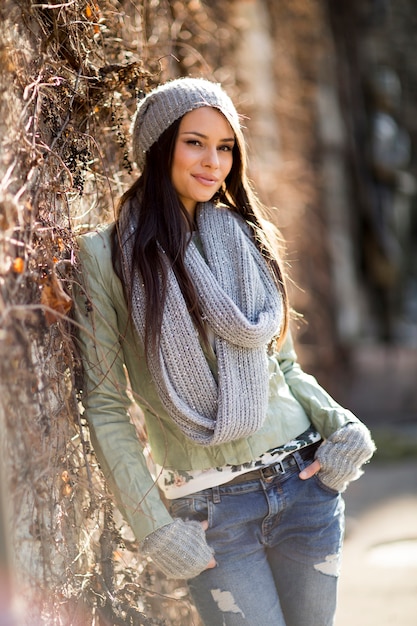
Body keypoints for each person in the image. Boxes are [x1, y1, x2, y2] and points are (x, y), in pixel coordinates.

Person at [74, 77, 375, 626]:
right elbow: (106, 405)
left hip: (302, 483)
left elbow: (280, 363)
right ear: (157, 146)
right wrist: (155, 527)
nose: (213, 161)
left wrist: (342, 427)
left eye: (225, 146)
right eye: (194, 142)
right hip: (211, 515)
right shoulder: (106, 256)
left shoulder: (244, 233)